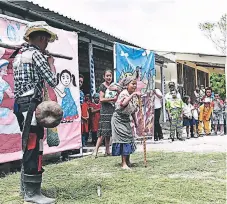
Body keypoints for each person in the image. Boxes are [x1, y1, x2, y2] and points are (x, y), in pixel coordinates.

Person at [13, 22, 57, 204]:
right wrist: (51, 63)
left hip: (20, 105)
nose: (47, 44)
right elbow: (52, 81)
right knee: (34, 147)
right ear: (41, 38)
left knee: (28, 146)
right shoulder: (37, 55)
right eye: (46, 41)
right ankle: (32, 194)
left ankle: (26, 189)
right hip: (31, 106)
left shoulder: (20, 55)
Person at [111, 76, 140, 170]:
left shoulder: (133, 96)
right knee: (124, 140)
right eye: (133, 84)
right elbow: (123, 104)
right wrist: (132, 95)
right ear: (127, 85)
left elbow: (133, 111)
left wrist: (136, 123)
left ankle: (128, 161)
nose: (134, 86)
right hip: (118, 119)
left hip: (126, 119)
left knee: (129, 138)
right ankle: (124, 163)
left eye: (135, 84)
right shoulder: (124, 94)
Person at [93, 70, 117, 157]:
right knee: (103, 132)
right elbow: (101, 99)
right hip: (105, 110)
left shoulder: (113, 86)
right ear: (104, 77)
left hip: (112, 110)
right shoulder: (102, 86)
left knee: (108, 132)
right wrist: (112, 99)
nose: (109, 77)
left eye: (110, 76)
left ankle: (107, 150)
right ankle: (95, 151)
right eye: (107, 76)